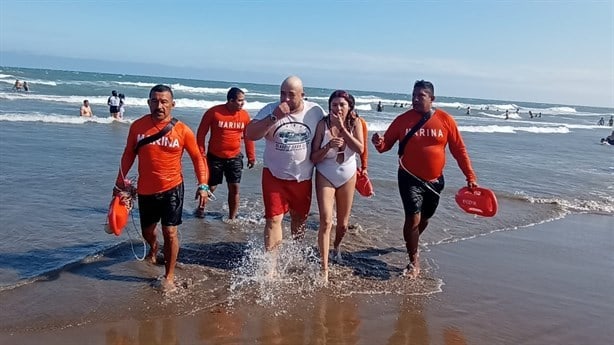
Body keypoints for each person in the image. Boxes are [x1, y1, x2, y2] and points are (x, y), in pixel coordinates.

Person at [371, 80, 478, 279]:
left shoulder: (445, 120)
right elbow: (385, 146)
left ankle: (412, 242)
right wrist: (379, 142)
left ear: (432, 99)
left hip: (435, 181)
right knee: (412, 217)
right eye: (413, 95)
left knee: (425, 218)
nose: (415, 99)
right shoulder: (403, 119)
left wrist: (470, 176)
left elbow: (459, 150)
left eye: (421, 96)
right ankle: (414, 260)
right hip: (408, 176)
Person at [113, 84, 209, 291]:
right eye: (155, 101)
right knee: (148, 232)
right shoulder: (137, 127)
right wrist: (119, 181)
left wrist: (203, 185)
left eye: (164, 101)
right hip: (146, 190)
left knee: (170, 231)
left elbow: (198, 158)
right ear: (148, 103)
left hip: (172, 188)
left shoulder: (183, 130)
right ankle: (154, 248)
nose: (159, 105)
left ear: (172, 104)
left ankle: (169, 276)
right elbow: (129, 154)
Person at [245, 76, 325, 252]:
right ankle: (271, 268)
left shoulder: (315, 111)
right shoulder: (270, 109)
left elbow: (329, 130)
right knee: (273, 220)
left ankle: (295, 255)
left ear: (303, 95)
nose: (286, 99)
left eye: (291, 95)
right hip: (274, 175)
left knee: (299, 219)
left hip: (302, 177)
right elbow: (250, 133)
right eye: (282, 94)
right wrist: (275, 117)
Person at [310, 90, 364, 281]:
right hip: (325, 173)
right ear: (329, 106)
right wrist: (329, 146)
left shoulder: (355, 123)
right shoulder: (322, 125)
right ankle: (324, 269)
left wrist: (343, 128)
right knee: (326, 221)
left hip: (348, 174)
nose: (338, 108)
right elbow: (314, 158)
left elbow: (360, 148)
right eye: (334, 105)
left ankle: (337, 246)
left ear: (350, 107)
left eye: (342, 105)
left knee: (342, 225)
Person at [196, 87, 256, 220]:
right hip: (215, 156)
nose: (242, 103)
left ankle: (232, 217)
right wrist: (201, 153)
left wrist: (251, 156)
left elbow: (248, 136)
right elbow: (201, 134)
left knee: (234, 188)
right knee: (211, 186)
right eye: (240, 101)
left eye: (243, 101)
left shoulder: (244, 115)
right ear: (231, 100)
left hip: (234, 157)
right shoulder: (214, 112)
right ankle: (201, 209)